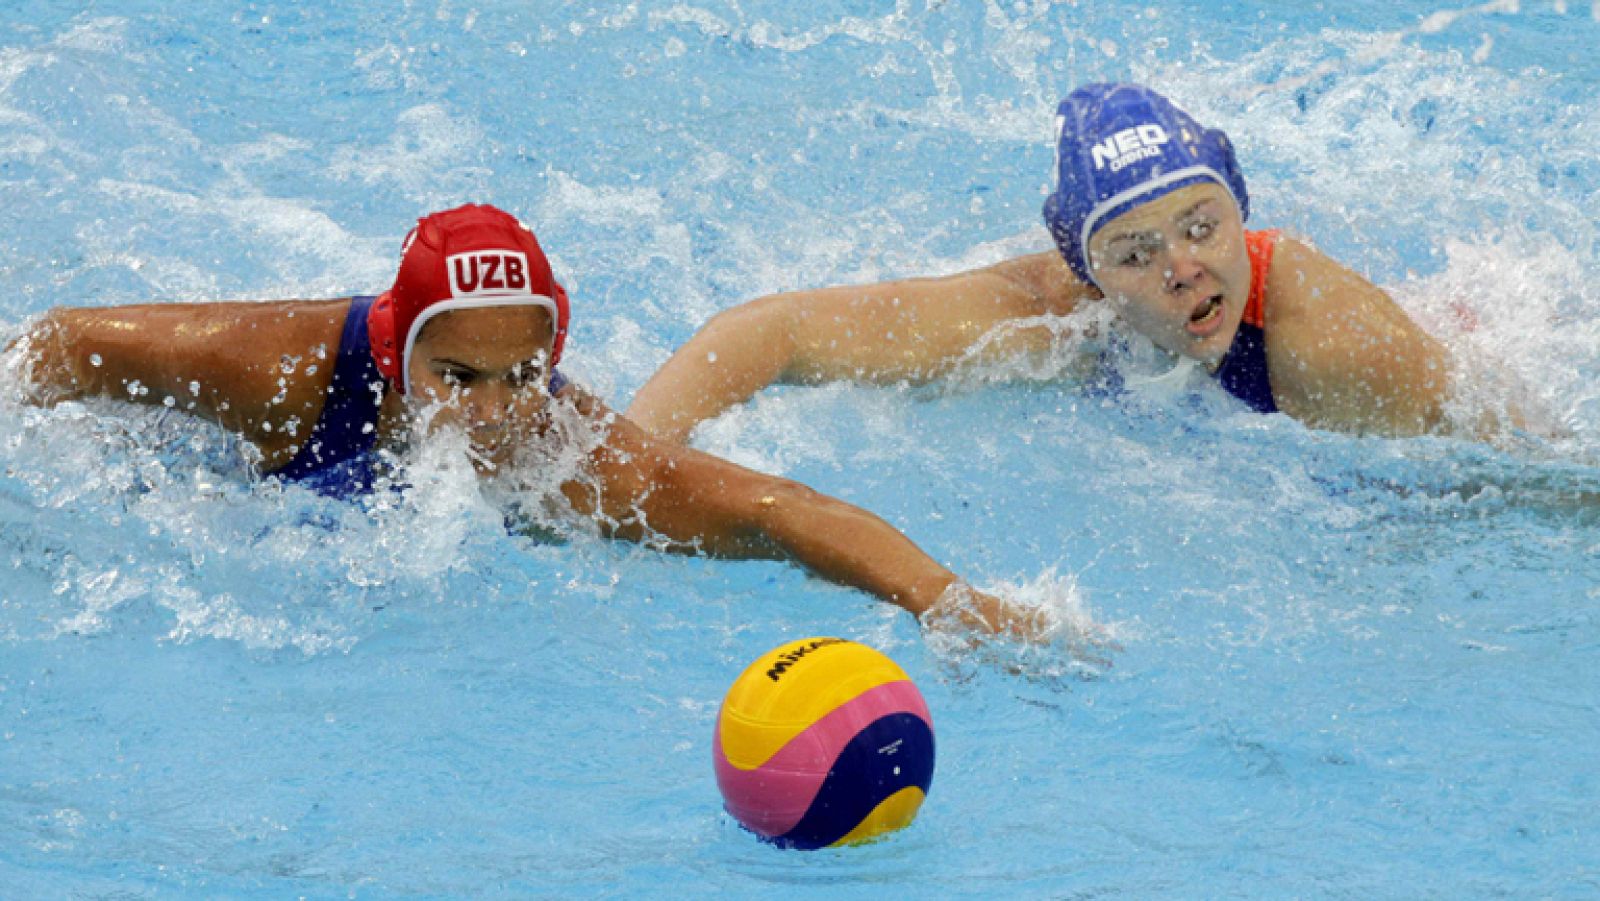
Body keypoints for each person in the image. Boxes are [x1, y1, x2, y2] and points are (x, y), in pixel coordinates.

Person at [9, 203, 1043, 639]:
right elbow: (52, 346)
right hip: (177, 475)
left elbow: (770, 509)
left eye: (525, 373)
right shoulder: (276, 370)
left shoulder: (562, 450)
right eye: (459, 376)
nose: (497, 413)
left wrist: (948, 598)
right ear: (397, 344)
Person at [628, 83, 1528, 443]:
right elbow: (774, 333)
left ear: (1239, 207)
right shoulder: (1057, 308)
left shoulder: (1333, 349)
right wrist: (626, 458)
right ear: (1085, 265)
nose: (1183, 268)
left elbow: (1516, 476)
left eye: (1202, 226)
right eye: (1136, 252)